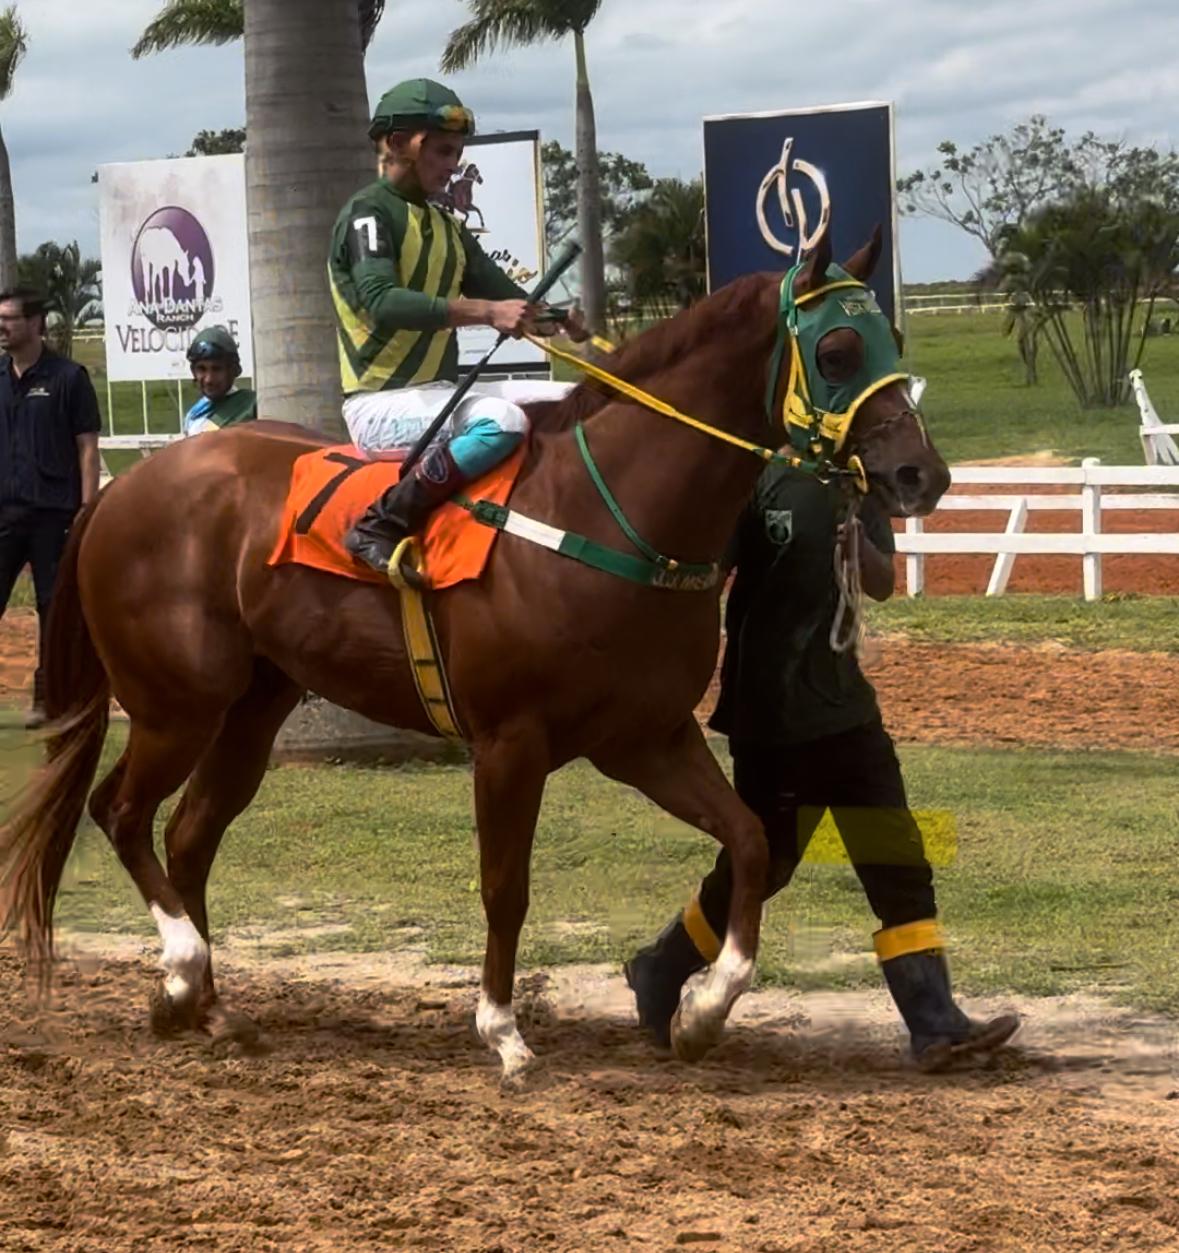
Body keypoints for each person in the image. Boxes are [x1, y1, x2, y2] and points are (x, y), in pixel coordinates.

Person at [625, 464, 1021, 1071]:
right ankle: (662, 968)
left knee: (898, 859)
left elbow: (884, 584)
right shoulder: (758, 478)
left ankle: (935, 1024)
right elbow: (705, 573)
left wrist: (861, 548)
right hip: (771, 716)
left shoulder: (859, 484)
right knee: (766, 866)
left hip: (849, 712)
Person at [328, 77, 586, 574]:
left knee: (574, 401)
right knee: (503, 422)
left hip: (439, 395)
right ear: (397, 143)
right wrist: (487, 313)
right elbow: (382, 301)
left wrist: (556, 316)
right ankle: (382, 523)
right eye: (442, 151)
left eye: (457, 153)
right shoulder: (367, 213)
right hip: (378, 406)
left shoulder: (448, 227)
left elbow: (506, 295)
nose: (453, 165)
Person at [0, 289, 101, 728]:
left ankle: (48, 697)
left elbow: (88, 446)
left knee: (52, 609)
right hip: (4, 513)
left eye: (10, 319)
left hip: (53, 514)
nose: (2, 327)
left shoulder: (68, 377)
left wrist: (86, 508)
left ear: (37, 323)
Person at [182, 325, 257, 436]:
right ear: (193, 371)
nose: (209, 379)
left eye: (216, 369)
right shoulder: (194, 415)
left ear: (233, 370)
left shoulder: (252, 406)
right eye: (202, 369)